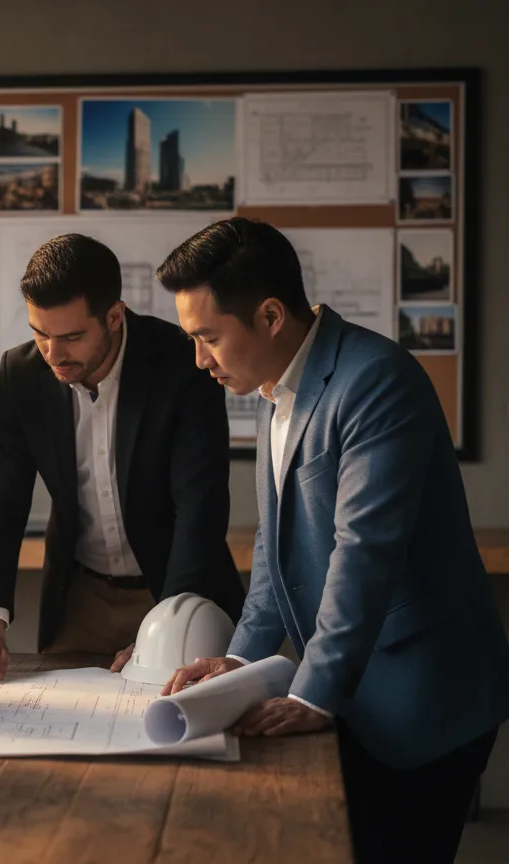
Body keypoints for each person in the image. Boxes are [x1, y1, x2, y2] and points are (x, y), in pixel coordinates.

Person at [157, 217, 509, 864]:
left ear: (269, 316)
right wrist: (239, 663)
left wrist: (309, 692)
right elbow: (276, 550)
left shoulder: (375, 379)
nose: (199, 360)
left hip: (422, 696)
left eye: (208, 337)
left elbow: (364, 553)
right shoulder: (273, 387)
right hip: (356, 694)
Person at [0, 234, 245, 685]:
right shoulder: (23, 374)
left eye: (72, 337)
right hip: (79, 595)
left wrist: (168, 625)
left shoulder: (183, 362)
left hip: (174, 588)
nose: (54, 354)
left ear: (114, 316)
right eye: (40, 334)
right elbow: (0, 502)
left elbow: (200, 504)